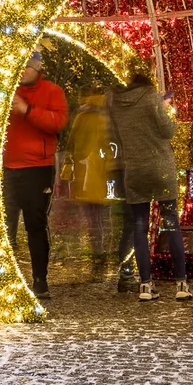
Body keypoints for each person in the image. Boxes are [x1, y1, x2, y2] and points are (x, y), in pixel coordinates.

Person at [108, 72, 191, 302]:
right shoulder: (152, 98)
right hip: (160, 168)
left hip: (134, 170)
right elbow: (168, 131)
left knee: (139, 226)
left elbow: (118, 137)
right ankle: (181, 283)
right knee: (171, 223)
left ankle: (145, 285)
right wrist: (163, 107)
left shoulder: (117, 105)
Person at [2, 51, 69, 299]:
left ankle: (40, 280)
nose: (22, 71)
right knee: (5, 225)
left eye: (27, 67)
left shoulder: (52, 91)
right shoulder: (6, 91)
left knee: (35, 226)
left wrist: (26, 109)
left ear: (38, 69)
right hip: (8, 168)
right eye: (18, 66)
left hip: (38, 169)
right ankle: (4, 280)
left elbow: (58, 123)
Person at [63, 85, 115, 281]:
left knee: (91, 219)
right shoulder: (103, 118)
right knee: (100, 219)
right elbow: (107, 146)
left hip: (83, 174)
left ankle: (98, 256)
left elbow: (70, 144)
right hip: (99, 174)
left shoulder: (80, 117)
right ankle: (100, 256)